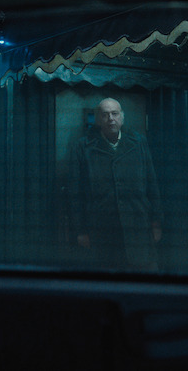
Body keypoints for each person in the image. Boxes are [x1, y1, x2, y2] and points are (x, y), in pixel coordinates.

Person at [69, 98, 163, 270]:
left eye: (115, 113)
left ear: (122, 117)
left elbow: (152, 184)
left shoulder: (138, 142)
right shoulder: (82, 147)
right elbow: (76, 193)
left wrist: (156, 223)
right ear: (98, 119)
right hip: (102, 230)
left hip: (138, 227)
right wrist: (81, 231)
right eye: (105, 115)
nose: (110, 119)